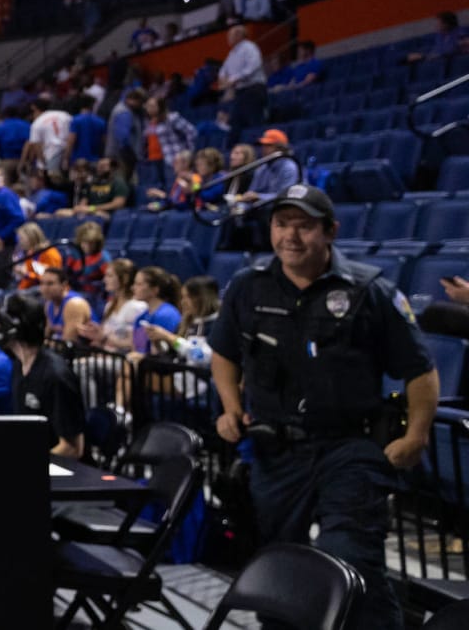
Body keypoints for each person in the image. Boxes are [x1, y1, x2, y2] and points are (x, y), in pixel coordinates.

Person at [211, 184, 438, 630]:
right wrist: (230, 407)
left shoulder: (370, 291)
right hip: (276, 452)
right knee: (278, 566)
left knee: (352, 560)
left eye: (304, 226)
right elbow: (224, 353)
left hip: (349, 446)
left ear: (331, 231)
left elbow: (420, 369)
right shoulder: (247, 287)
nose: (290, 237)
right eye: (281, 224)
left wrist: (416, 436)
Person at [3, 294, 86, 457]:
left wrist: (29, 466)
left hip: (60, 471)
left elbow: (72, 448)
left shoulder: (55, 376)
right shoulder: (19, 364)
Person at [218, 23, 267, 141]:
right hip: (240, 92)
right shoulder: (232, 53)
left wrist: (234, 79)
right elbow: (223, 71)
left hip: (253, 89)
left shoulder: (249, 47)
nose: (228, 38)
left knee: (254, 121)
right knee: (235, 123)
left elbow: (253, 66)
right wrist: (224, 80)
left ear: (239, 35)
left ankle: (258, 146)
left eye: (230, 35)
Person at [241, 129, 299, 205]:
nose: (263, 149)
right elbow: (251, 193)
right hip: (259, 210)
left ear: (281, 148)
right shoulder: (262, 169)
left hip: (282, 210)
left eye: (268, 145)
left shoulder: (289, 168)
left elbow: (286, 196)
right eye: (263, 145)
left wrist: (259, 196)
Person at [66, 221, 108, 310]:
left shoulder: (102, 257)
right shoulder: (74, 254)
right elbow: (66, 274)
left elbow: (109, 279)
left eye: (91, 243)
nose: (88, 246)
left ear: (97, 243)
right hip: (74, 292)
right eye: (85, 242)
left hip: (94, 296)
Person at [41, 266, 91, 342]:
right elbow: (46, 336)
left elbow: (68, 342)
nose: (44, 288)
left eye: (50, 283)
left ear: (63, 285)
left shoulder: (74, 305)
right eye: (42, 283)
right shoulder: (49, 304)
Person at [143, 97, 196, 167]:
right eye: (148, 106)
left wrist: (189, 151)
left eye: (152, 106)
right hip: (153, 159)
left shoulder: (172, 118)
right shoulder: (147, 122)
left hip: (173, 158)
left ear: (160, 106)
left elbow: (191, 131)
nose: (149, 108)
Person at [105, 89, 146, 173]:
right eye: (140, 102)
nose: (141, 105)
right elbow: (123, 137)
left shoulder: (126, 110)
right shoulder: (124, 113)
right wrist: (130, 155)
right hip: (122, 156)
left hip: (120, 155)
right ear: (132, 100)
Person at [67, 94, 107, 165]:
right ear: (92, 105)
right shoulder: (101, 121)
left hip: (77, 160)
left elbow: (71, 141)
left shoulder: (76, 120)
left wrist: (66, 158)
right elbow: (104, 142)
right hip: (95, 159)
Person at [0, 105, 31, 171]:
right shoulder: (26, 125)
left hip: (6, 161)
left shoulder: (0, 126)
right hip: (24, 160)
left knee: (5, 181)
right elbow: (29, 143)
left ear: (5, 115)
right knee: (25, 180)